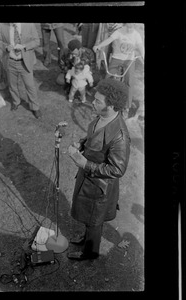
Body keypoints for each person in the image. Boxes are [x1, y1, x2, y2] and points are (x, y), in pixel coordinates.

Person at [67, 78, 131, 261]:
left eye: (97, 101)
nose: (92, 103)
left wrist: (85, 164)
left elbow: (117, 170)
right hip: (88, 180)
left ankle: (90, 253)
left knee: (94, 220)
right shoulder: (102, 117)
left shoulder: (120, 136)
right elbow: (93, 137)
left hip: (99, 187)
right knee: (88, 216)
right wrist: (81, 144)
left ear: (111, 106)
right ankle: (86, 239)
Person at [0, 23, 42, 119]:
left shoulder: (29, 25)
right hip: (10, 62)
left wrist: (24, 46)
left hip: (25, 62)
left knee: (30, 86)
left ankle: (35, 107)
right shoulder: (3, 26)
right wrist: (5, 46)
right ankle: (16, 102)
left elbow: (37, 41)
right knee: (12, 85)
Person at [93, 23, 144, 112]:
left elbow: (140, 47)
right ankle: (101, 100)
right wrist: (99, 46)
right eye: (128, 25)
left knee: (129, 82)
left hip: (129, 60)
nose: (129, 28)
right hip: (117, 58)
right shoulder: (119, 31)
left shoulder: (136, 35)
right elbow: (109, 39)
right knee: (108, 79)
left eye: (131, 26)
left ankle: (127, 106)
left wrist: (143, 55)